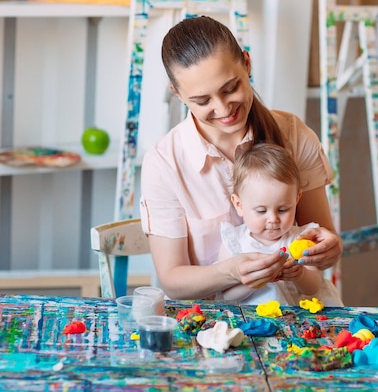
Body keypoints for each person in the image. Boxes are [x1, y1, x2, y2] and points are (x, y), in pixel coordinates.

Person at [140, 15, 342, 300]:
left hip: (306, 315)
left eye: (230, 88)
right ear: (177, 93)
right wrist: (231, 271)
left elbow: (324, 243)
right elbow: (172, 280)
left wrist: (327, 249)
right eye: (202, 101)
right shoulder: (164, 163)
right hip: (219, 324)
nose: (223, 109)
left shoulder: (294, 135)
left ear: (246, 64)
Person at [218, 143, 343, 306]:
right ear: (239, 204)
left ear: (296, 199)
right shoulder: (234, 242)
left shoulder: (301, 238)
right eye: (261, 211)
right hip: (254, 322)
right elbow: (227, 295)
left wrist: (300, 275)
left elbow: (314, 287)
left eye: (283, 209)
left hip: (300, 322)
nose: (273, 219)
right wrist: (254, 280)